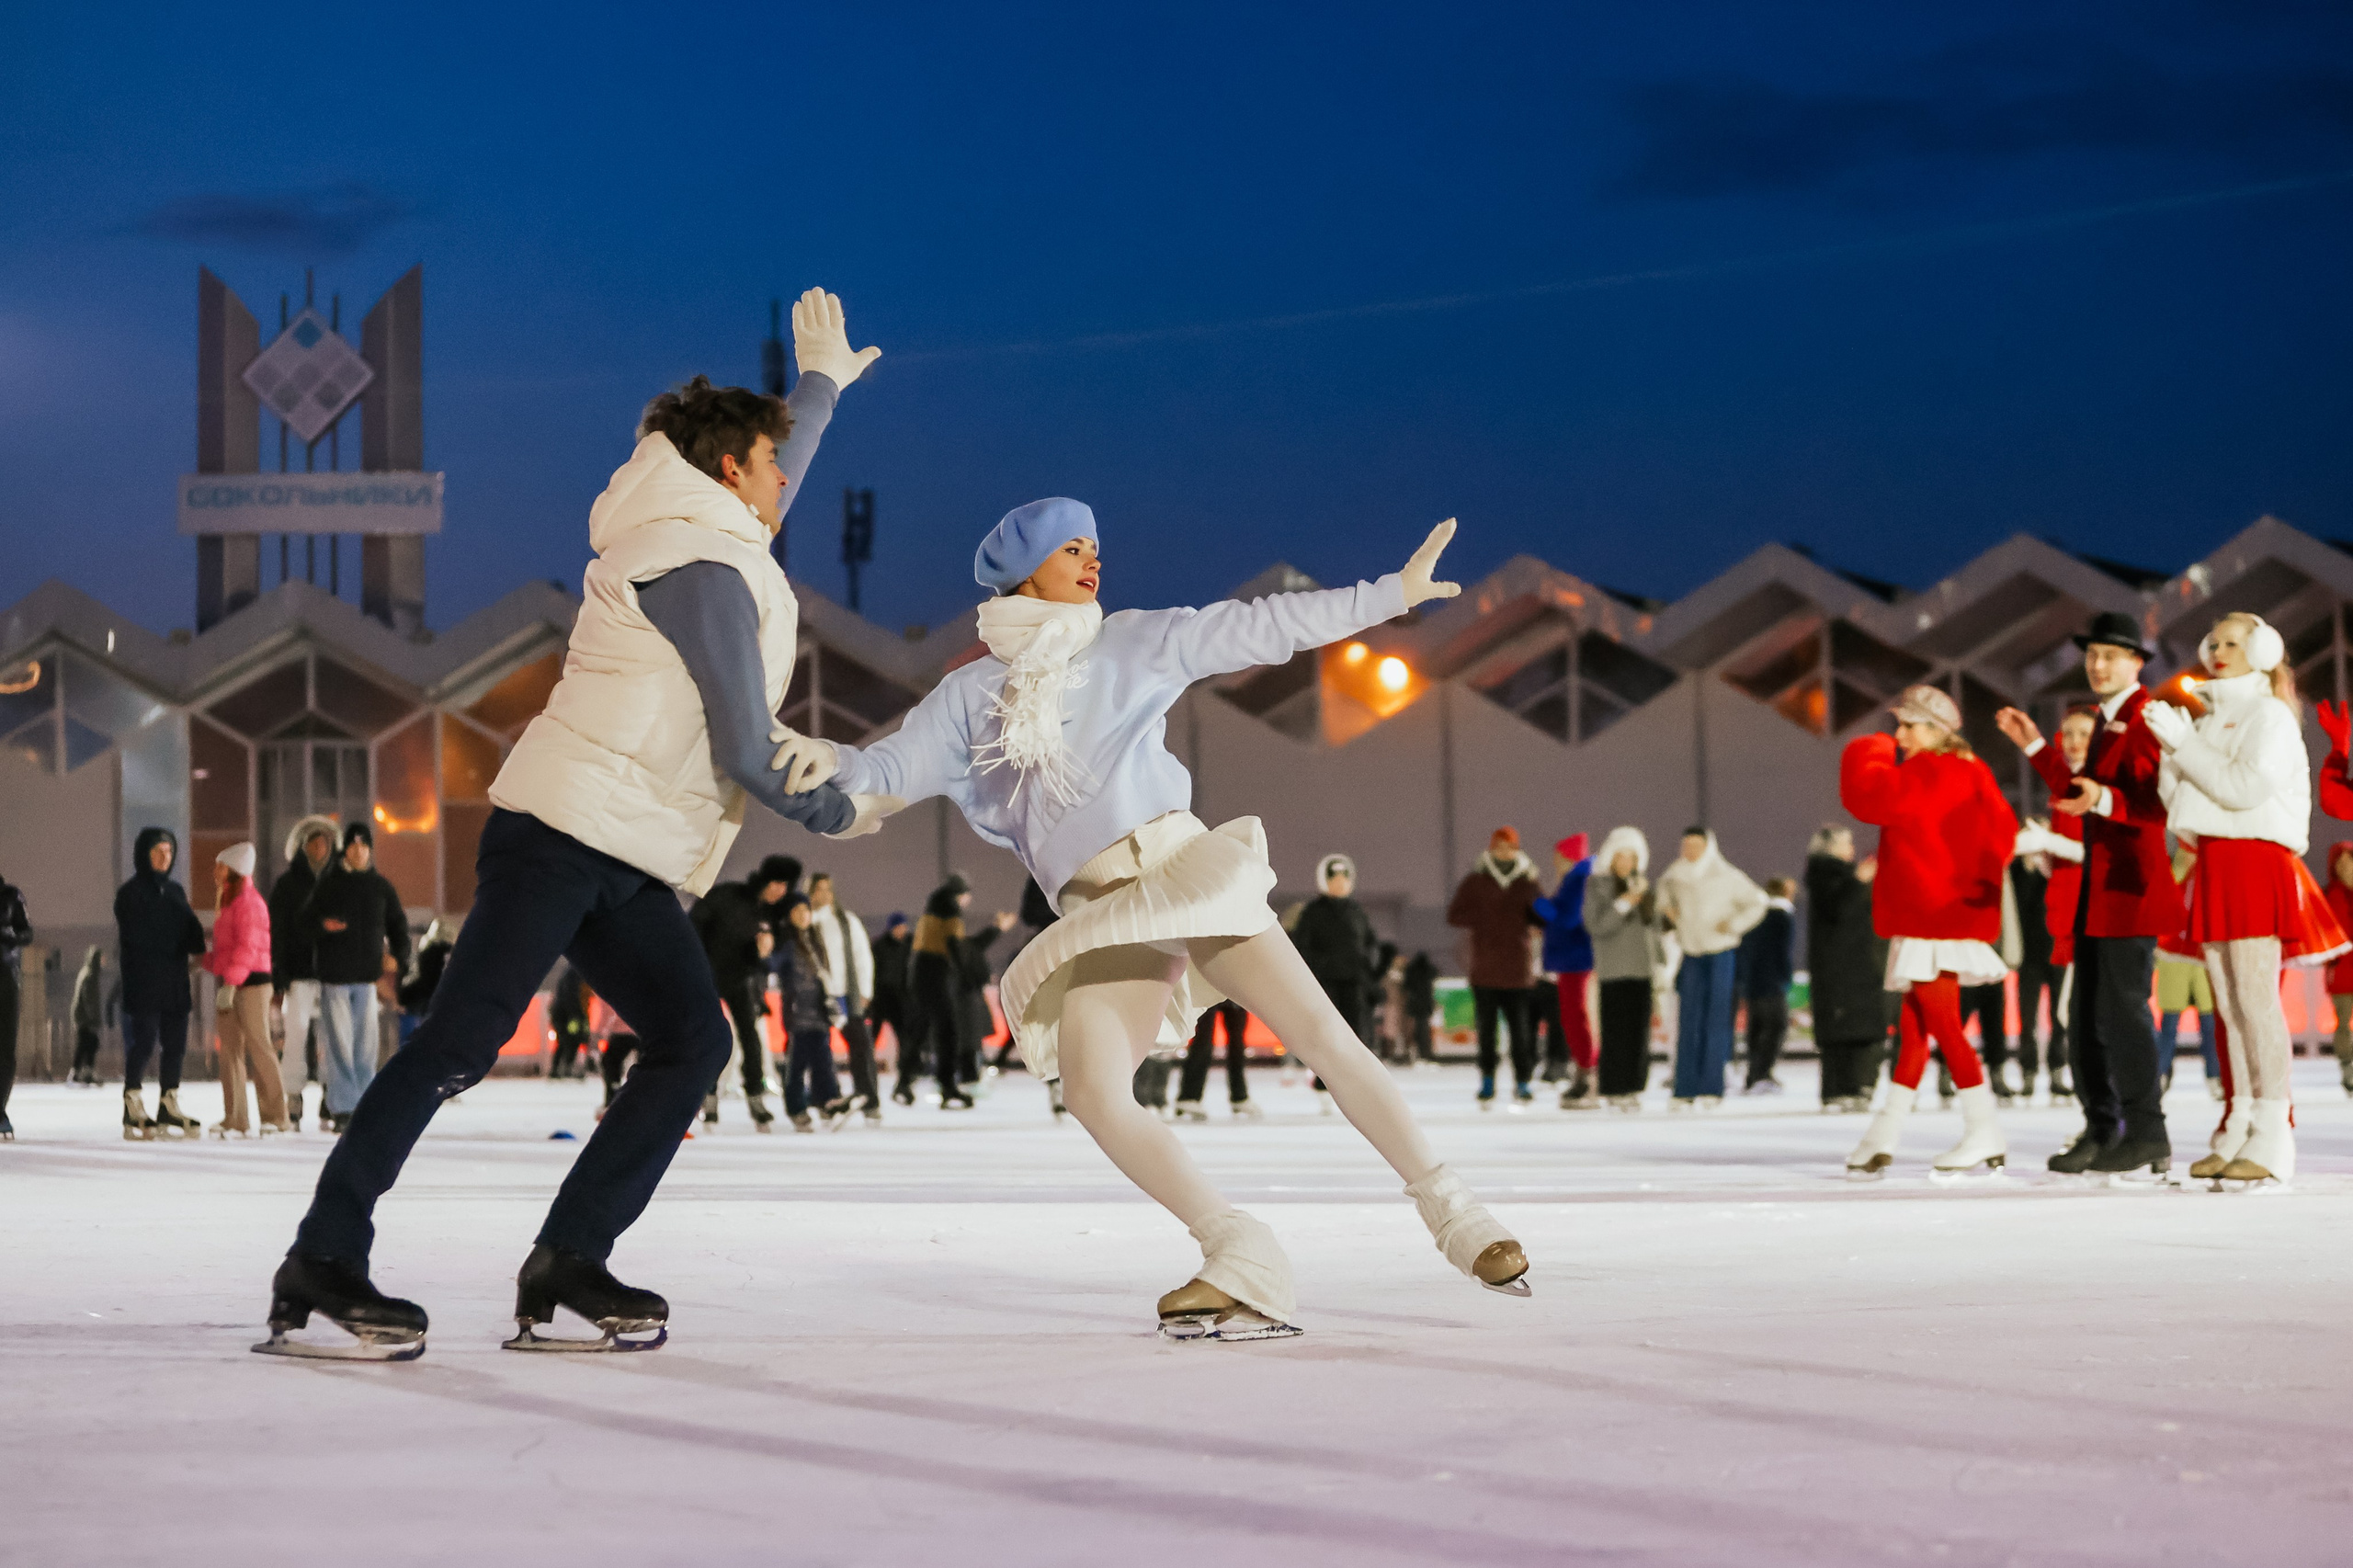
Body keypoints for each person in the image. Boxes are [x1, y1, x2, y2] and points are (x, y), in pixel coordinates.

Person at [263, 291, 885, 1359]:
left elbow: (769, 478)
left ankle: (569, 1257)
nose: (791, 476)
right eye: (774, 461)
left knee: (694, 1039)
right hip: (560, 834)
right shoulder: (697, 561)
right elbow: (747, 745)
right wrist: (845, 803)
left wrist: (817, 390)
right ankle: (322, 1254)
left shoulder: (700, 523)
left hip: (629, 852)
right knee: (459, 1041)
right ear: (730, 467)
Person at [769, 502, 1528, 1337]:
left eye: (1096, 547)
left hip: (1182, 870)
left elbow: (1261, 626)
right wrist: (830, 760)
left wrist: (1386, 596)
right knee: (1094, 1089)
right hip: (1099, 911)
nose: (1094, 561)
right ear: (1026, 569)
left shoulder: (1129, 639)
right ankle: (1240, 1250)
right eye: (1072, 548)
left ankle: (1460, 1217)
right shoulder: (968, 697)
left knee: (1326, 1037)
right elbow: (888, 768)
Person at [2143, 612, 2347, 1187]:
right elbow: (2184, 809)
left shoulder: (2270, 716)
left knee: (2256, 1003)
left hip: (2255, 860)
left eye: (2234, 641)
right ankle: (2239, 1121)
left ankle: (2274, 1130)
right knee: (2229, 1008)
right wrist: (2171, 750)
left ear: (2262, 649)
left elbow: (2242, 788)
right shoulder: (2213, 718)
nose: (2219, 649)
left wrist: (2186, 745)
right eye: (2215, 641)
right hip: (2216, 862)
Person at [1995, 611, 2182, 1176]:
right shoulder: (2107, 720)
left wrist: (2103, 799)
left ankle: (2145, 1130)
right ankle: (2103, 1127)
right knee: (2085, 1016)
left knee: (2122, 1014)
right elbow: (2081, 791)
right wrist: (2033, 747)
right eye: (2093, 655)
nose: (2098, 665)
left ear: (2137, 663)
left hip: (2129, 889)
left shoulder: (2148, 718)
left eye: (2111, 656)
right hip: (2098, 896)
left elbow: (2156, 805)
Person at [1839, 685, 2018, 1178]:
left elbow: (1868, 796)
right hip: (1952, 913)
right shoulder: (1976, 772)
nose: (1899, 736)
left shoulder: (1926, 770)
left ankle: (1983, 1126)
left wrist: (1869, 749)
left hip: (1928, 915)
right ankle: (1885, 1132)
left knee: (1941, 1025)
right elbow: (2004, 834)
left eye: (1908, 726)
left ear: (1935, 731)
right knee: (1917, 1028)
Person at [300, 823, 414, 1133]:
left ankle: (362, 1104)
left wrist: (400, 957)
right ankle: (344, 1107)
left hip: (366, 978)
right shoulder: (329, 884)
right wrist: (324, 925)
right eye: (353, 845)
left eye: (364, 846)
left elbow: (398, 925)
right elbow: (306, 922)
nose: (358, 851)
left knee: (365, 1046)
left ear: (370, 850)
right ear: (345, 849)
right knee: (339, 1046)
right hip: (335, 976)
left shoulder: (380, 887)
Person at [1654, 827, 1768, 1109]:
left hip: (1720, 952)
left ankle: (1712, 1087)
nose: (1690, 851)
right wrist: (1668, 911)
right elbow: (1661, 902)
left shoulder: (1726, 875)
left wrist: (1733, 925)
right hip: (1691, 951)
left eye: (1696, 846)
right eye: (1686, 845)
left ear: (1708, 847)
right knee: (1688, 1019)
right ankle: (1684, 1088)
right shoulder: (1674, 875)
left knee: (1716, 1019)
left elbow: (1758, 902)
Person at [688, 855, 798, 1131]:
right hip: (707, 978)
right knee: (713, 1039)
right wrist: (694, 964)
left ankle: (756, 1098)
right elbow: (694, 923)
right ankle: (708, 1096)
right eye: (776, 883)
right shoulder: (728, 896)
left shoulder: (772, 914)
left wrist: (763, 950)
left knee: (751, 1038)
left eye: (785, 886)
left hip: (741, 979)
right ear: (764, 879)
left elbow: (770, 954)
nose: (779, 891)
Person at [115, 826, 209, 1140]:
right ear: (144, 854)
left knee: (175, 1045)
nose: (163, 858)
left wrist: (192, 943)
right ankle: (132, 1100)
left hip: (174, 983)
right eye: (157, 851)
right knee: (143, 1043)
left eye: (168, 852)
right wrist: (175, 937)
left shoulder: (175, 892)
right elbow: (140, 936)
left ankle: (169, 1101)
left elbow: (191, 932)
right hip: (144, 983)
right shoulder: (130, 894)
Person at [1446, 827, 1546, 1108]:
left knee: (1521, 1033)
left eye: (1510, 848)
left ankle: (1523, 1082)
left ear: (1517, 850)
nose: (1505, 853)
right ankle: (1487, 1081)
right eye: (1500, 847)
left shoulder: (1527, 882)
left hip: (1517, 972)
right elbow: (1454, 914)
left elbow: (1546, 916)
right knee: (1487, 1032)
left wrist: (1542, 902)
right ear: (1491, 850)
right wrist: (1485, 918)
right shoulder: (1476, 881)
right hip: (1485, 971)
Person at [200, 841, 286, 1136]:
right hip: (234, 983)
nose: (215, 871)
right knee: (230, 1052)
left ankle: (277, 1115)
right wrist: (205, 960)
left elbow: (247, 949)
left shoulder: (250, 903)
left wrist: (231, 984)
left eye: (220, 865)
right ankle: (235, 1118)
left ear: (233, 869)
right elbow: (228, 952)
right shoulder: (228, 901)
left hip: (252, 986)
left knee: (259, 1047)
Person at [1290, 853, 1380, 1112]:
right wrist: (1322, 967)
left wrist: (1370, 974)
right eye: (1334, 879)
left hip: (1354, 984)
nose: (1339, 884)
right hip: (1325, 985)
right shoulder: (1312, 913)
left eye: (1344, 879)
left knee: (1356, 1036)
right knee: (1327, 1037)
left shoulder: (1357, 912)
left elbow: (1369, 945)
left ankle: (1356, 1086)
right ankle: (1324, 1085)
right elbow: (1301, 948)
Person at [1803, 824, 1881, 1111]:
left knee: (1853, 1028)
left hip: (1852, 966)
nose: (1852, 848)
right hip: (1841, 968)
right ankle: (1844, 1088)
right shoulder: (1827, 875)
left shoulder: (1835, 876)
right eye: (1846, 843)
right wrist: (1858, 882)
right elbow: (1838, 911)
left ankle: (1852, 1086)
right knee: (1845, 1028)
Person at [269, 814, 339, 1131]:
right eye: (313, 841)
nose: (319, 847)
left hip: (332, 974)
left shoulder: (340, 882)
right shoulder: (287, 886)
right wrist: (279, 976)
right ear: (302, 847)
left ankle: (330, 1093)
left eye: (324, 841)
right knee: (295, 1035)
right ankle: (293, 1095)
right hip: (298, 974)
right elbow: (278, 933)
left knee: (332, 1036)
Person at [1583, 826, 1660, 1111]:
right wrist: (1624, 903)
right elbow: (1597, 926)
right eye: (1621, 857)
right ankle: (1614, 1087)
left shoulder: (1644, 885)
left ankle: (1634, 1086)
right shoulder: (1598, 886)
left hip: (1642, 969)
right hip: (1614, 970)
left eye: (1632, 857)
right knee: (1615, 1031)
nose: (1626, 863)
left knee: (1639, 1033)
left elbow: (1653, 926)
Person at [808, 872, 882, 1122]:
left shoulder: (847, 921)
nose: (824, 894)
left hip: (847, 995)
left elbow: (863, 956)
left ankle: (868, 1098)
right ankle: (826, 1099)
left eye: (828, 889)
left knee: (861, 1046)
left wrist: (864, 991)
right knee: (819, 1050)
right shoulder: (804, 923)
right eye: (819, 889)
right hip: (817, 996)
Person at [771, 892, 847, 1131]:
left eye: (806, 911)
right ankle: (797, 1108)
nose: (804, 916)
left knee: (823, 1060)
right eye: (798, 911)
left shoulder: (815, 938)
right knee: (797, 1064)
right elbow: (774, 966)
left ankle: (828, 1101)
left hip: (819, 1011)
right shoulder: (786, 942)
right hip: (797, 1013)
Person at [1530, 834, 1597, 1097]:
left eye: (1558, 858)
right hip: (1570, 959)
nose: (1555, 863)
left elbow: (1568, 918)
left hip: (1576, 960)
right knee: (1571, 1018)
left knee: (1577, 1017)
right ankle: (1584, 1069)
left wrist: (1539, 905)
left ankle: (1587, 1072)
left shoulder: (1577, 881)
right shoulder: (1574, 880)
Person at [1736, 877, 1797, 1096]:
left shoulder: (1754, 916)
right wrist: (1785, 977)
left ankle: (1753, 1075)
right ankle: (1762, 1074)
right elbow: (1784, 952)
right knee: (1776, 1027)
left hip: (1753, 982)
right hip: (1773, 984)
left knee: (1757, 1028)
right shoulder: (1782, 917)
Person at [1175, 998, 1256, 1119]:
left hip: (1234, 986)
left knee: (1237, 1041)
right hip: (1210, 985)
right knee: (1203, 1038)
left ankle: (1240, 1096)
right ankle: (1189, 1096)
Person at [398, 918, 455, 1050]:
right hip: (432, 1005)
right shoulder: (451, 953)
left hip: (415, 1002)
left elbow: (422, 979)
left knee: (408, 1046)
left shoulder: (428, 950)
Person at [2324, 842, 2353, 1095]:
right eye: (2341, 862)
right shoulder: (2330, 896)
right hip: (2342, 971)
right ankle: (2348, 1067)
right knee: (2343, 1022)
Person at [868, 912, 912, 1082]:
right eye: (898, 927)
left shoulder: (910, 944)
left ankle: (905, 1069)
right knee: (872, 1035)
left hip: (900, 999)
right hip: (881, 998)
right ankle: (867, 1066)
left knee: (904, 1036)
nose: (901, 931)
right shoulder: (879, 945)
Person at [0, 869, 28, 1140]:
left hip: (7, 981)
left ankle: (0, 1109)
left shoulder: (11, 896)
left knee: (6, 1050)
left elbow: (26, 932)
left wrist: (9, 936)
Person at [70, 947, 115, 1086]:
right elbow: (89, 999)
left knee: (88, 1044)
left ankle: (84, 1071)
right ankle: (78, 1072)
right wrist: (93, 1019)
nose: (104, 961)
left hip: (83, 1016)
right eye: (101, 958)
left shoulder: (88, 973)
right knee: (87, 1043)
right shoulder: (90, 975)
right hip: (86, 1018)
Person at [547, 963, 593, 1080]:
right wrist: (578, 1015)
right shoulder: (576, 974)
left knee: (566, 1039)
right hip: (567, 1014)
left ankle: (559, 1068)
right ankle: (563, 1067)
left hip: (565, 1013)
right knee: (569, 1039)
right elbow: (571, 995)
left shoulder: (572, 973)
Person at [1401, 950, 1438, 1063]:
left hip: (1414, 1003)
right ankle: (1425, 1053)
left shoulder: (1411, 971)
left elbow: (1406, 985)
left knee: (1413, 1030)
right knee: (1424, 1030)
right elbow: (1435, 973)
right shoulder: (1428, 970)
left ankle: (1413, 1054)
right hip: (1425, 1004)